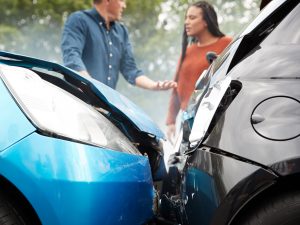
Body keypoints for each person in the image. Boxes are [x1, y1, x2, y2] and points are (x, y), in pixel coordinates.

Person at [61, 0, 176, 91]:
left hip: (103, 108)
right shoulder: (79, 20)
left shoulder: (122, 32)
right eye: (122, 0)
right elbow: (72, 57)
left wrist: (154, 85)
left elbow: (130, 70)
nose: (124, 5)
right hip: (76, 101)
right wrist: (90, 86)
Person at [166, 1, 232, 143]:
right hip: (187, 121)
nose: (186, 22)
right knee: (181, 163)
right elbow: (176, 87)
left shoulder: (227, 44)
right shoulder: (187, 51)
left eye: (192, 18)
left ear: (206, 21)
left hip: (215, 121)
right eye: (186, 18)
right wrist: (171, 120)